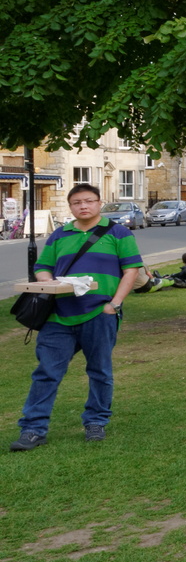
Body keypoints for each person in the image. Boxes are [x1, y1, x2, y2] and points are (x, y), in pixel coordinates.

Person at [11, 183, 144, 451]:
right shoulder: (60, 234)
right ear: (71, 207)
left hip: (99, 312)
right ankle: (33, 429)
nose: (83, 206)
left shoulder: (118, 233)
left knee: (99, 371)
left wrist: (114, 304)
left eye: (89, 201)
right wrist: (49, 282)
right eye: (77, 202)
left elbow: (131, 270)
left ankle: (96, 422)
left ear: (99, 203)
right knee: (46, 372)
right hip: (58, 316)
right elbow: (43, 267)